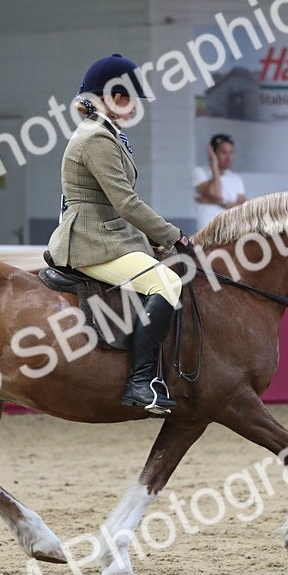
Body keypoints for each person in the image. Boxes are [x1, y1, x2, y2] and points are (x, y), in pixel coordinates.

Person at [47, 54, 193, 416]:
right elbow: (126, 203)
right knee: (166, 283)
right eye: (128, 98)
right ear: (107, 97)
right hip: (90, 242)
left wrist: (154, 241)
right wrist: (174, 237)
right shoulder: (96, 138)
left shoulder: (108, 133)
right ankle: (140, 382)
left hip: (108, 235)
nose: (134, 106)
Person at [192, 133, 247, 230]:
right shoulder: (200, 173)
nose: (228, 157)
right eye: (224, 153)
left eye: (231, 153)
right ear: (212, 153)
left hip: (231, 232)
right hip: (208, 233)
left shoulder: (236, 178)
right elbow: (217, 194)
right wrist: (214, 166)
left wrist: (220, 203)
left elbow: (243, 208)